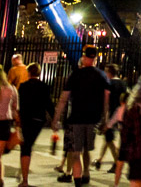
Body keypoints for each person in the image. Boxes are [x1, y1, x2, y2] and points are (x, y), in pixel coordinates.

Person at [51, 46, 111, 186]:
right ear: (95, 58)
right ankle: (86, 174)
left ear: (84, 57)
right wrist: (105, 119)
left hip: (76, 118)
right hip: (93, 118)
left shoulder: (75, 75)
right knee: (87, 149)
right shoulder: (102, 76)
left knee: (76, 152)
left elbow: (63, 99)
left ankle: (77, 181)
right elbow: (106, 101)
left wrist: (56, 119)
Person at [17, 64, 53, 187]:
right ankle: (24, 175)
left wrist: (18, 120)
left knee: (26, 147)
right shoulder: (44, 87)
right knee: (28, 144)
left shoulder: (23, 87)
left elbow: (19, 104)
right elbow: (49, 104)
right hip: (38, 119)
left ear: (28, 73)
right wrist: (54, 119)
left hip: (26, 119)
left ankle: (25, 179)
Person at [95, 65, 127, 174]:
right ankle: (100, 159)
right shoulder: (123, 84)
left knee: (109, 139)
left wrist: (104, 117)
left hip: (112, 115)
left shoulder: (109, 84)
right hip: (122, 114)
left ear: (109, 72)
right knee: (108, 138)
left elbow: (106, 102)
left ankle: (117, 162)